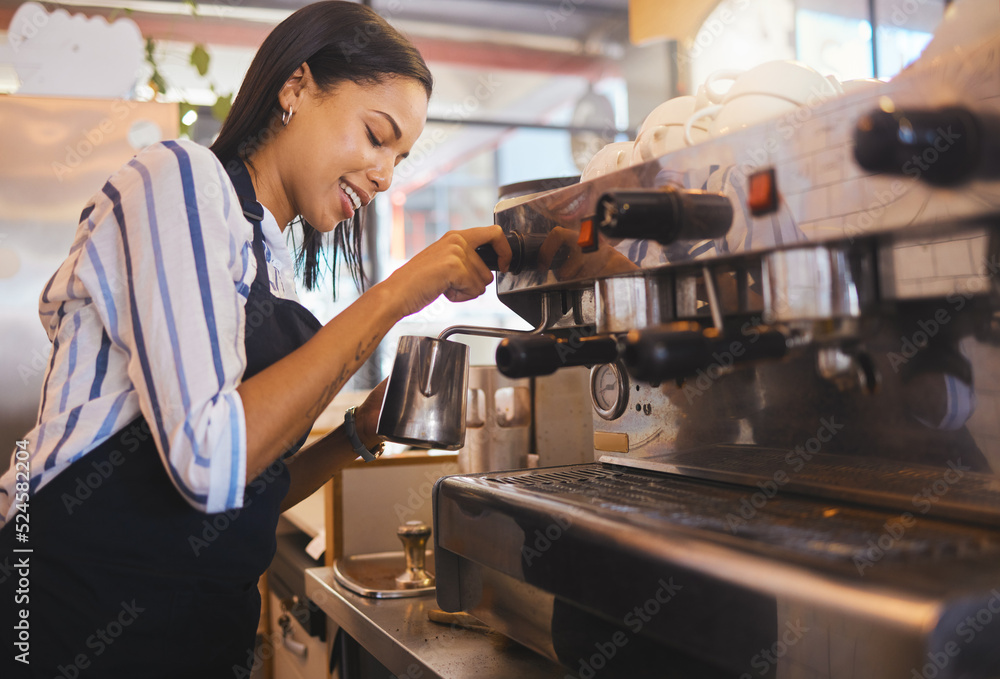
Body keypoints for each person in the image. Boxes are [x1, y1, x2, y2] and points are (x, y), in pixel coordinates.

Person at [0, 2, 511, 676]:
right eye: (377, 134)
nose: (386, 173)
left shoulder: (268, 265)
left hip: (200, 631)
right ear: (295, 88)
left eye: (402, 156)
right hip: (75, 604)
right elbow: (208, 462)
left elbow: (245, 490)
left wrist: (359, 431)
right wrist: (396, 294)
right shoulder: (177, 180)